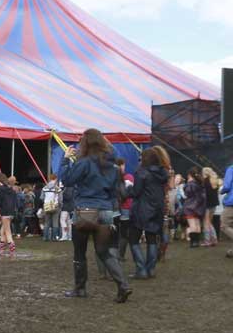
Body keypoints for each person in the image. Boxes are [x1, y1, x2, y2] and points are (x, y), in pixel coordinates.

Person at [59, 129, 131, 302]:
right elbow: (118, 191)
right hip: (106, 211)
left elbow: (67, 179)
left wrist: (66, 159)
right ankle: (123, 284)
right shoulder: (113, 167)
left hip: (85, 210)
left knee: (79, 251)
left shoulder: (84, 162)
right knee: (103, 251)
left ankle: (80, 288)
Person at [126, 148, 169, 279]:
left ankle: (141, 269)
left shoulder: (141, 172)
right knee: (151, 239)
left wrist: (128, 188)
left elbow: (136, 192)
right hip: (158, 209)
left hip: (142, 209)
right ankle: (150, 269)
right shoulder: (163, 173)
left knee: (133, 239)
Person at [182, 167, 206, 248]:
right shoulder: (199, 183)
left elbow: (187, 194)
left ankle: (193, 242)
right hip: (199, 207)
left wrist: (186, 185)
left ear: (189, 175)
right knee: (197, 224)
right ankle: (197, 242)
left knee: (192, 224)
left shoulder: (190, 184)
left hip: (190, 206)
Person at [0, 173, 17, 257]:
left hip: (4, 212)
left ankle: (12, 247)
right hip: (11, 213)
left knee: (7, 232)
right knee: (2, 231)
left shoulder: (0, 189)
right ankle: (1, 250)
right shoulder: (12, 190)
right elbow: (15, 202)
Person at [201, 168, 220, 246]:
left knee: (206, 222)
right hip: (214, 204)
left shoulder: (205, 181)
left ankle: (207, 241)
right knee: (209, 222)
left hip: (207, 204)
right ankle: (214, 239)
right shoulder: (215, 181)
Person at [41, 173, 61, 241]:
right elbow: (60, 199)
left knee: (47, 222)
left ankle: (45, 237)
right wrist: (60, 205)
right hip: (55, 206)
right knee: (55, 222)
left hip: (47, 206)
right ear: (56, 179)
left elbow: (42, 197)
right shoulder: (57, 188)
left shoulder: (44, 188)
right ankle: (54, 237)